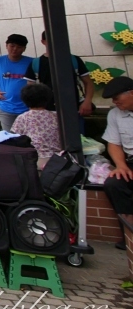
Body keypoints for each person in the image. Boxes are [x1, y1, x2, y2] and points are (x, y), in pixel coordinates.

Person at [24, 31, 95, 123]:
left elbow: (88, 82)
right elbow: (30, 89)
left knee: (76, 136)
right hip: (46, 112)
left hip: (73, 110)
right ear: (43, 42)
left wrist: (87, 101)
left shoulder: (74, 60)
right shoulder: (36, 63)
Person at [0, 34, 33, 132]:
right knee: (9, 138)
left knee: (28, 138)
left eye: (19, 47)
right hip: (5, 108)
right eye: (12, 46)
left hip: (28, 108)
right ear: (6, 45)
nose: (15, 49)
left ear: (24, 49)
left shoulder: (32, 62)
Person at [100, 76, 133, 238]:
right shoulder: (115, 114)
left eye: (117, 98)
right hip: (130, 161)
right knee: (114, 183)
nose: (115, 102)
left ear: (131, 93)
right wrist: (121, 166)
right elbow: (114, 143)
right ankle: (128, 234)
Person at [10, 83, 62, 169]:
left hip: (33, 160)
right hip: (58, 159)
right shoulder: (57, 116)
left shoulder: (23, 118)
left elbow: (15, 140)